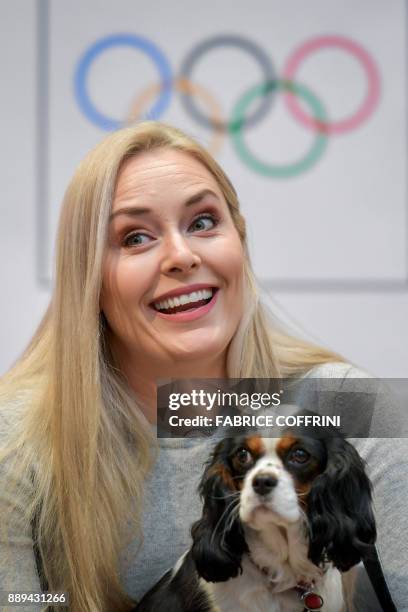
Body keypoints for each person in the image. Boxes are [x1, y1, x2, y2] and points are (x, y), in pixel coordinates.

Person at [0, 122, 406, 612]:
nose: (182, 256)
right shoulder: (16, 439)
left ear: (240, 238)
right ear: (87, 275)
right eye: (135, 237)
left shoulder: (359, 405)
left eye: (203, 222)